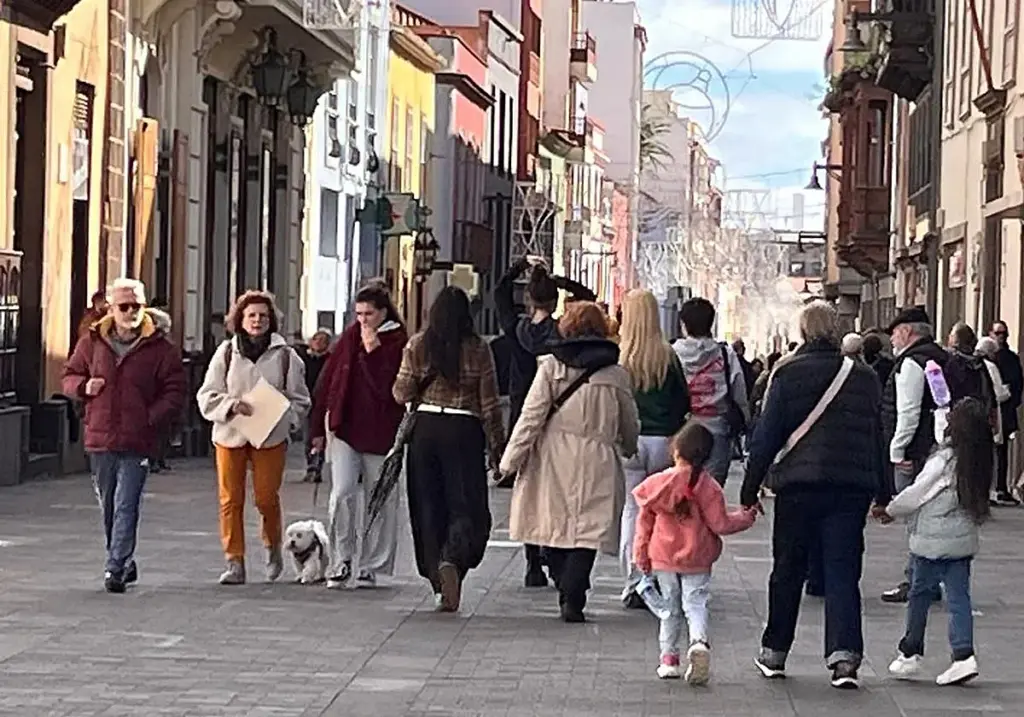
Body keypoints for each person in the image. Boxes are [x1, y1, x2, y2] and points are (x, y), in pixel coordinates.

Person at [741, 301, 890, 690]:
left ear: (803, 331)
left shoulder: (786, 372)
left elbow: (767, 435)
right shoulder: (863, 376)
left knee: (788, 569)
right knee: (843, 571)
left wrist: (749, 488)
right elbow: (876, 435)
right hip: (850, 486)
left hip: (798, 486)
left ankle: (774, 651)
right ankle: (845, 658)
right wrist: (883, 491)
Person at [500, 301, 640, 623]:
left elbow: (531, 416)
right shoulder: (615, 373)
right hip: (598, 457)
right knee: (588, 529)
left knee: (555, 523)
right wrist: (629, 446)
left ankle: (562, 578)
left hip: (554, 455)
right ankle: (574, 591)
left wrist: (509, 461)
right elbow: (629, 420)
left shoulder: (552, 366)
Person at [61, 278, 186, 593]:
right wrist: (83, 387)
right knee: (109, 506)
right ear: (111, 309)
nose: (131, 312)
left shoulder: (160, 348)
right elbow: (69, 376)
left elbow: (175, 391)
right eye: (124, 306)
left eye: (137, 306)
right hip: (100, 437)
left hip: (137, 439)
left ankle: (115, 567)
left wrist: (149, 418)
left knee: (126, 503)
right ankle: (123, 560)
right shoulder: (92, 342)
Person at [393, 286, 505, 612]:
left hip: (426, 430)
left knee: (428, 505)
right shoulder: (479, 349)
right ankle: (453, 558)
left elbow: (401, 392)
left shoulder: (418, 345)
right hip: (464, 431)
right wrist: (497, 447)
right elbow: (490, 403)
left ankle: (437, 581)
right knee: (466, 504)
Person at [197, 290, 311, 585]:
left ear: (271, 320)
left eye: (263, 315)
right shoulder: (226, 352)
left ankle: (273, 547)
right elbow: (207, 394)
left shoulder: (286, 356)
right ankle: (234, 560)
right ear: (240, 319)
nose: (257, 320)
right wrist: (230, 405)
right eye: (251, 315)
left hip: (269, 436)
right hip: (230, 433)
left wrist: (285, 418)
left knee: (266, 497)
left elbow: (301, 400)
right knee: (230, 499)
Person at [493, 256, 595, 586]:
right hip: (558, 413)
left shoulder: (515, 329)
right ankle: (553, 551)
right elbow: (588, 298)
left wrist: (521, 265)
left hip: (523, 411)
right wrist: (560, 281)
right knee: (556, 487)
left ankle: (532, 562)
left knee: (528, 488)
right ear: (554, 301)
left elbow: (499, 291)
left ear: (528, 299)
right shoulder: (562, 332)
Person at [632, 421, 757, 683]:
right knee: (696, 603)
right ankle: (699, 642)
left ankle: (668, 660)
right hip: (698, 558)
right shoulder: (709, 487)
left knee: (670, 609)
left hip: (663, 557)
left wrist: (640, 554)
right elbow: (720, 524)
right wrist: (745, 517)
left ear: (676, 449)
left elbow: (644, 525)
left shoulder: (657, 484)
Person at [882, 398, 992, 686]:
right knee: (959, 598)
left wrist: (891, 509)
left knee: (919, 594)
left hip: (932, 539)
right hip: (961, 541)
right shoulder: (978, 461)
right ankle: (963, 654)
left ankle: (910, 651)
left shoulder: (944, 460)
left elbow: (919, 492)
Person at [309, 285, 407, 588]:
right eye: (359, 313)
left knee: (379, 498)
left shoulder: (397, 341)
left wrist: (373, 352)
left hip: (381, 430)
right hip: (345, 427)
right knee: (342, 492)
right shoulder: (350, 336)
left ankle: (370, 565)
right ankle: (341, 560)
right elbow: (329, 380)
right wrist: (317, 429)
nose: (363, 320)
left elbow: (390, 389)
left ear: (384, 313)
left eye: (369, 314)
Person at [617, 288, 691, 609]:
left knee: (631, 512)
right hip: (664, 441)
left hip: (630, 442)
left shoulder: (620, 357)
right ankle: (658, 574)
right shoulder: (667, 356)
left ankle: (634, 580)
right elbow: (683, 401)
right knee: (660, 512)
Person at [880, 308, 949, 604]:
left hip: (914, 452)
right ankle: (928, 579)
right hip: (937, 447)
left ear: (907, 331)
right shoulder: (940, 357)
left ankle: (917, 580)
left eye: (895, 333)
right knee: (931, 516)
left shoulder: (911, 363)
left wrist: (897, 451)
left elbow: (908, 412)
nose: (892, 340)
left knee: (916, 518)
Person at [672, 298, 749, 484]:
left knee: (680, 488)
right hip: (718, 429)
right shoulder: (725, 354)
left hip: (681, 430)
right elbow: (738, 391)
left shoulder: (673, 353)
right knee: (711, 491)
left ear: (684, 324)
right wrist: (744, 420)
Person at [989, 321, 1023, 505]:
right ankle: (991, 488)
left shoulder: (1011, 358)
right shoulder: (986, 361)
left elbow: (1018, 385)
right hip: (991, 411)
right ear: (991, 334)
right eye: (998, 333)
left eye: (1004, 333)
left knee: (1002, 452)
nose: (1001, 337)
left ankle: (1001, 487)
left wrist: (1011, 402)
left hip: (1005, 410)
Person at [297, 328, 332, 482]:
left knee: (321, 436)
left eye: (323, 340)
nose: (319, 342)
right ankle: (311, 466)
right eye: (317, 339)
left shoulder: (330, 360)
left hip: (323, 404)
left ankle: (317, 467)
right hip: (307, 401)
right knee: (308, 436)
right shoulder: (303, 358)